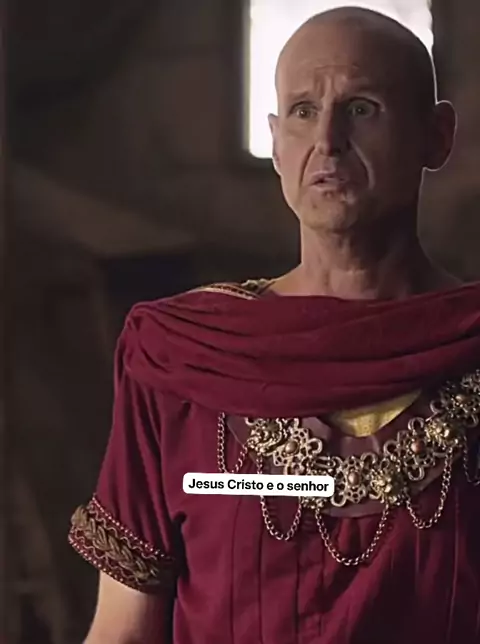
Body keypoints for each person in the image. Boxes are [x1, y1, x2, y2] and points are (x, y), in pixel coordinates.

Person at [69, 7, 480, 644]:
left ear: (437, 135)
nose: (328, 141)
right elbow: (124, 629)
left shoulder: (468, 343)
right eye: (302, 111)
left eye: (362, 108)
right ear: (276, 142)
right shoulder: (182, 358)